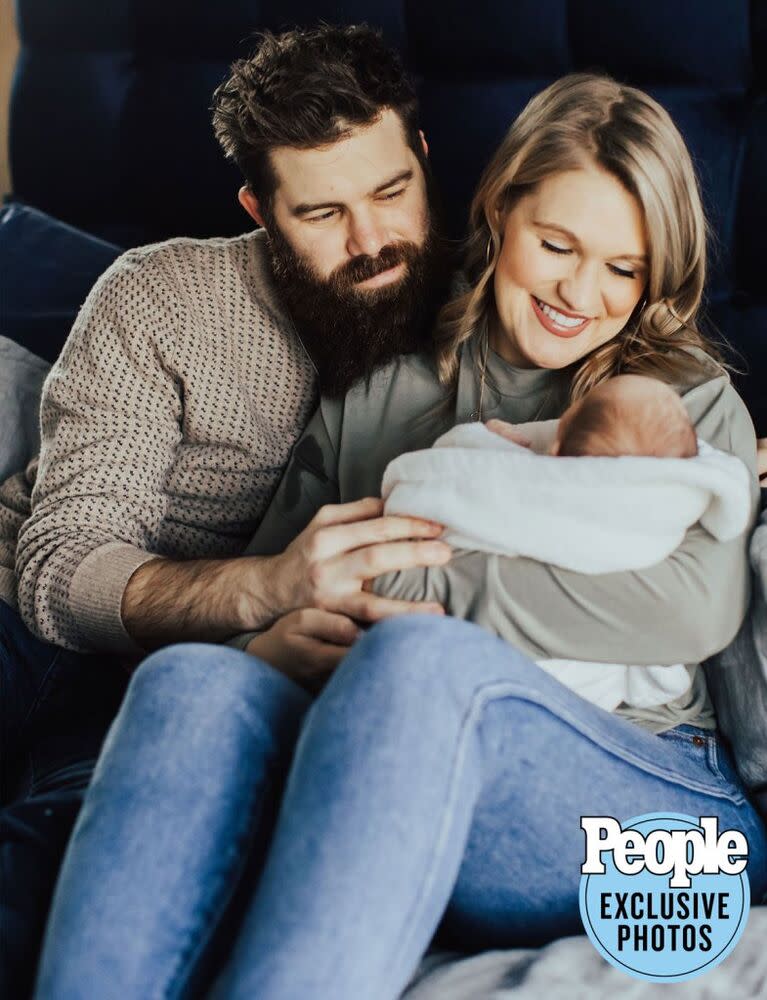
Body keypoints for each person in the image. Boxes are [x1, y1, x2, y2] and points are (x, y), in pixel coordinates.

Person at [34, 73, 767, 1000]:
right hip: (401, 765)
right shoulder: (383, 388)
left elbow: (697, 608)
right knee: (190, 678)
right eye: (556, 245)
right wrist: (267, 637)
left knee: (416, 660)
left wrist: (418, 597)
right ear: (500, 213)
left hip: (656, 814)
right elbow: (291, 575)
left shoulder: (684, 397)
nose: (583, 292)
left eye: (623, 269)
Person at [0, 24, 455, 996]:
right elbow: (60, 568)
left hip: (209, 679)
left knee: (38, 874)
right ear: (258, 208)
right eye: (322, 213)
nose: (370, 241)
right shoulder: (157, 296)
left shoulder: (492, 297)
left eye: (388, 193)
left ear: (421, 157)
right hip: (43, 623)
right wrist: (266, 590)